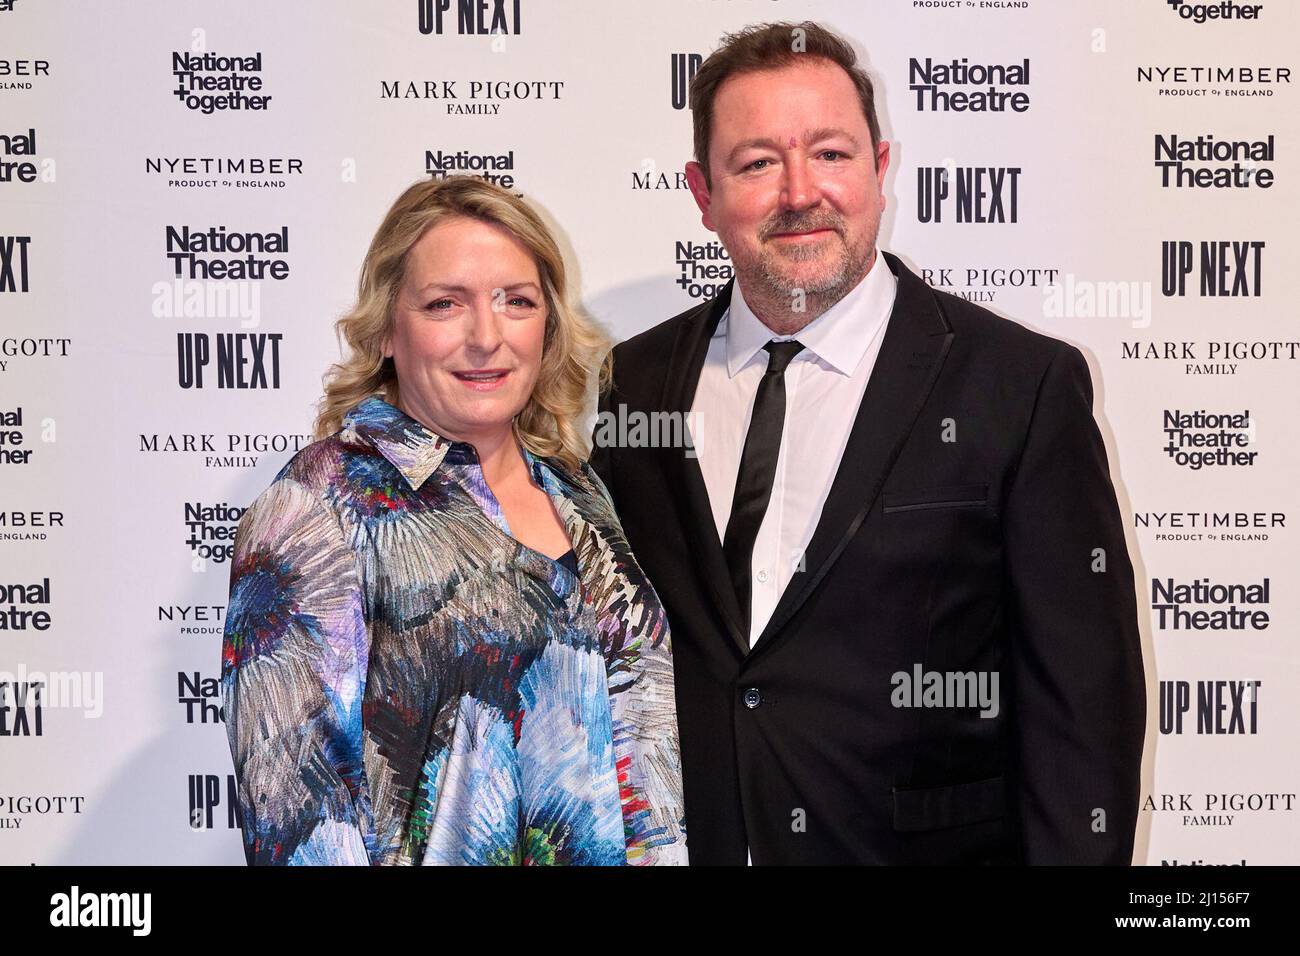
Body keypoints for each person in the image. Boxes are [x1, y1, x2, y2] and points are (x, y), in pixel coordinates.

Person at [590, 21, 1146, 864]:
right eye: (757, 163)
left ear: (881, 171)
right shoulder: (628, 386)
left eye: (832, 154)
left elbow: (1083, 716)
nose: (799, 191)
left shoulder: (1019, 387)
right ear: (702, 194)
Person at [220, 175, 687, 865]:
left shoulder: (578, 489)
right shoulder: (319, 506)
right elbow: (299, 819)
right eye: (445, 304)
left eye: (516, 302)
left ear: (548, 325)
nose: (486, 337)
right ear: (385, 329)